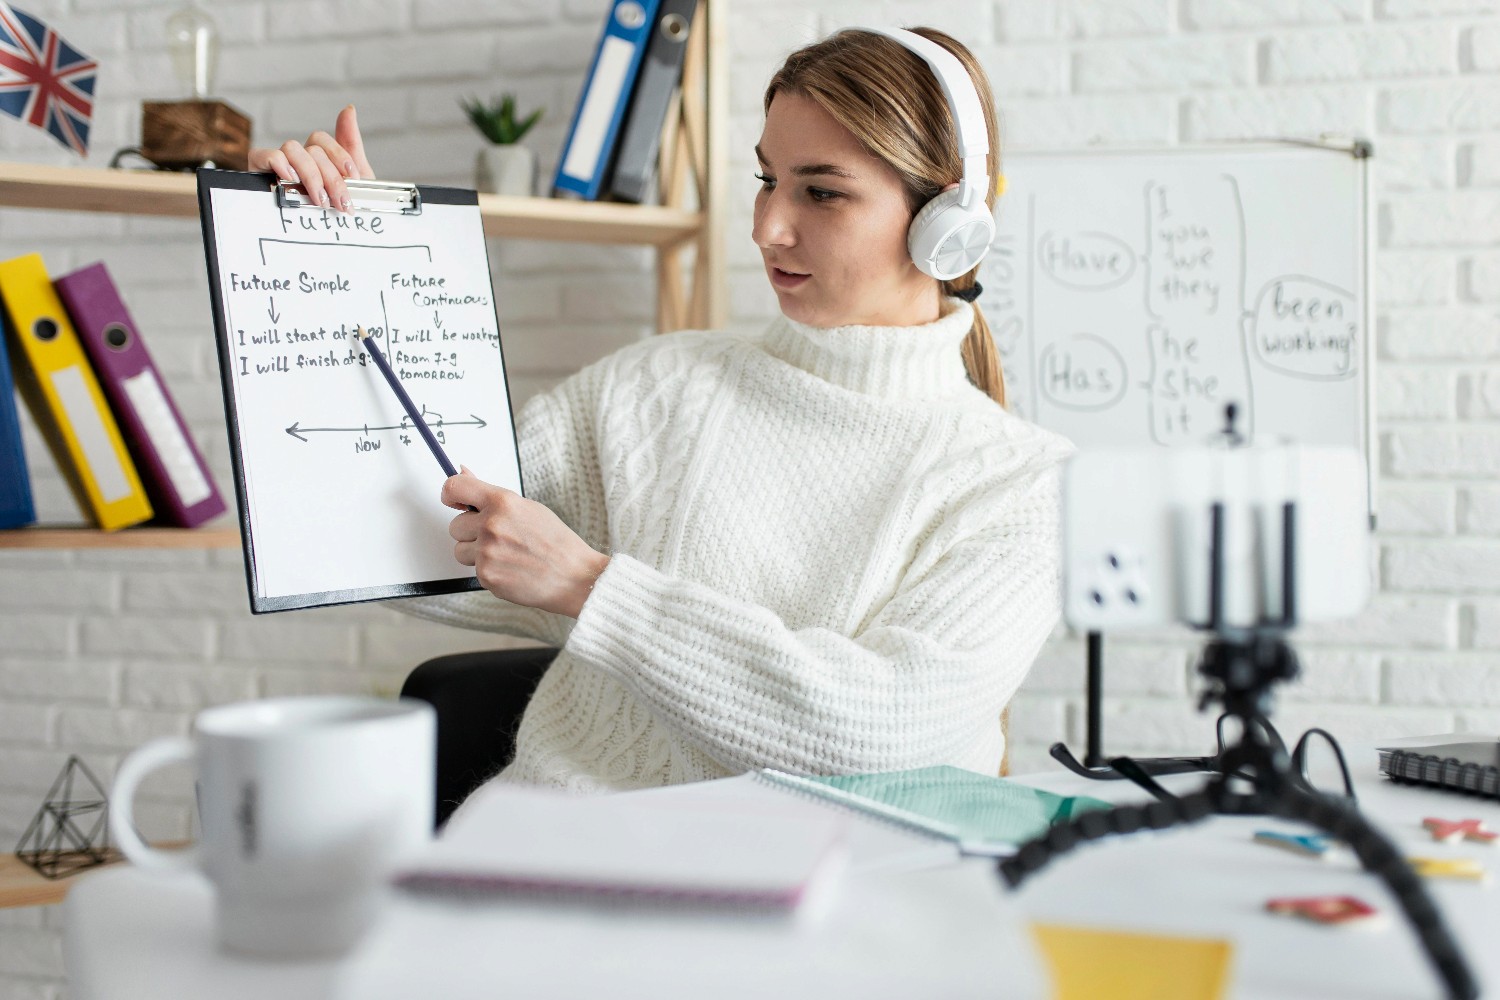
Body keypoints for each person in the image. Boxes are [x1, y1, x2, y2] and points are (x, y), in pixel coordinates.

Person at [249, 26, 1072, 797]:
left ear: (945, 226)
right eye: (766, 179)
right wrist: (340, 268)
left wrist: (589, 586)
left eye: (821, 192)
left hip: (821, 907)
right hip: (549, 853)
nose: (768, 227)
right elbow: (371, 534)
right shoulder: (656, 386)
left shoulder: (1014, 482)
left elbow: (883, 729)